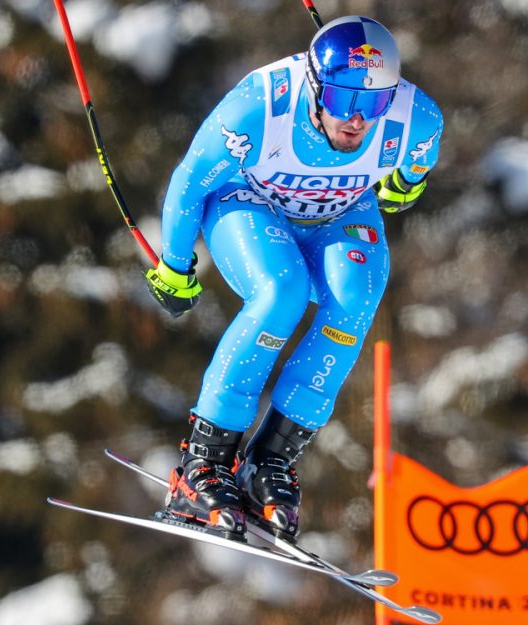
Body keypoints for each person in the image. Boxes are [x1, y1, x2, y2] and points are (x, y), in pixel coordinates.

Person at [144, 15, 443, 541]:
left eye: (372, 104)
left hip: (340, 211)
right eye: (344, 100)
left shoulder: (415, 122)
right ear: (314, 86)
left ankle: (269, 462)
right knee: (282, 293)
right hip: (250, 201)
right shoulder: (259, 110)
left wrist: (402, 187)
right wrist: (174, 263)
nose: (356, 120)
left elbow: (412, 175)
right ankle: (203, 464)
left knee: (357, 298)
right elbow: (190, 181)